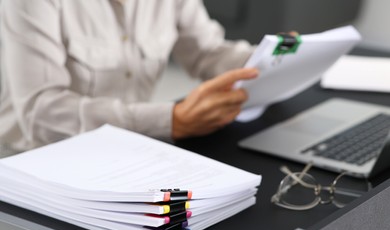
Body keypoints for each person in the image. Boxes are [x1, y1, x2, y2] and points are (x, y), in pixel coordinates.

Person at [0, 0, 258, 152]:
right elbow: (41, 112)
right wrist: (170, 120)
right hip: (32, 157)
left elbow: (207, 51)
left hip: (128, 149)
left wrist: (272, 57)